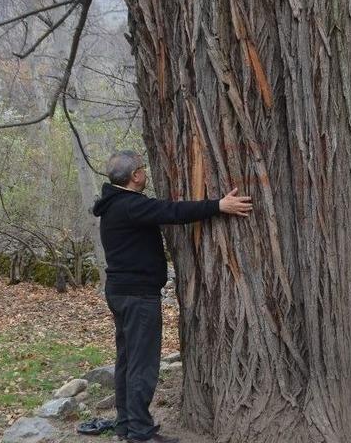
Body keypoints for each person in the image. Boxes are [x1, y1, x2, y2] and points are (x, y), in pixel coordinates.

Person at [92, 150, 253, 443]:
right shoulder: (130, 205)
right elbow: (172, 212)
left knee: (128, 361)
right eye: (142, 168)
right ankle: (140, 432)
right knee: (142, 364)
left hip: (121, 292)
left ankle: (126, 426)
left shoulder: (113, 204)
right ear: (135, 176)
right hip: (137, 296)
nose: (145, 173)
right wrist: (218, 205)